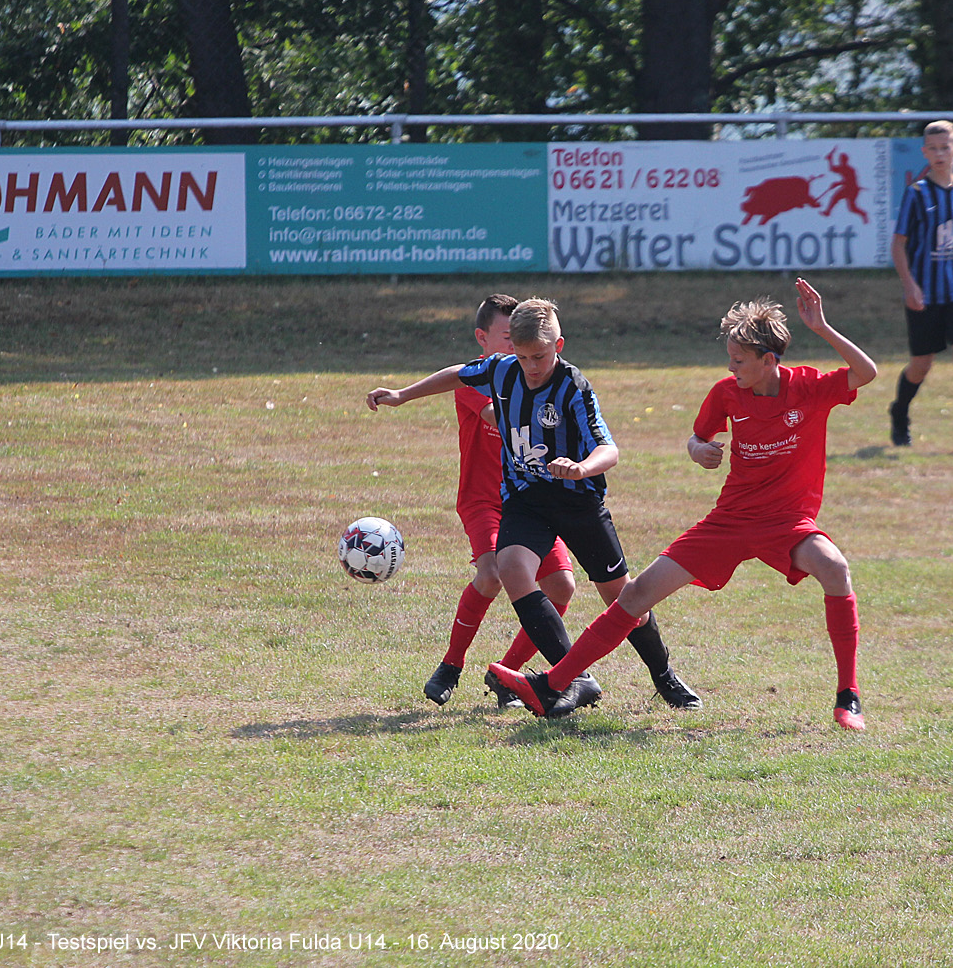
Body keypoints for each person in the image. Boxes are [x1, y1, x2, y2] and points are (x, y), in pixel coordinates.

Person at [491, 278, 877, 731]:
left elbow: (866, 372)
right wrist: (700, 451)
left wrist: (824, 328)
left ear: (768, 360)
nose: (730, 368)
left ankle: (847, 697)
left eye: (738, 361)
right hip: (728, 522)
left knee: (834, 568)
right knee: (634, 595)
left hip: (788, 522)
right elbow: (698, 438)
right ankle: (553, 684)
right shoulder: (726, 394)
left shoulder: (809, 388)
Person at [365, 298, 700, 712]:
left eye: (539, 356)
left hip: (578, 502)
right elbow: (458, 373)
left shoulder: (574, 386)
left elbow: (608, 449)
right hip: (526, 501)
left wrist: (580, 468)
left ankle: (663, 676)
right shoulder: (503, 370)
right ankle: (572, 676)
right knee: (511, 569)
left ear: (558, 345)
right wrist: (401, 394)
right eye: (522, 357)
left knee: (623, 600)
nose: (531, 366)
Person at [420, 294, 578, 708]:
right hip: (484, 502)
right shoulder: (477, 383)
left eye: (523, 339)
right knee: (491, 573)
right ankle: (451, 665)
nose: (516, 347)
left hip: (530, 500)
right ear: (482, 339)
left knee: (562, 586)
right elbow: (502, 418)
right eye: (508, 337)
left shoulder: (539, 378)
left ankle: (506, 675)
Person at [888, 120, 953, 456]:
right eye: (932, 148)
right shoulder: (917, 194)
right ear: (925, 152)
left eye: (945, 147)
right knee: (922, 363)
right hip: (924, 293)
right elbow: (898, 244)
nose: (939, 153)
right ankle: (899, 411)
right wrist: (910, 286)